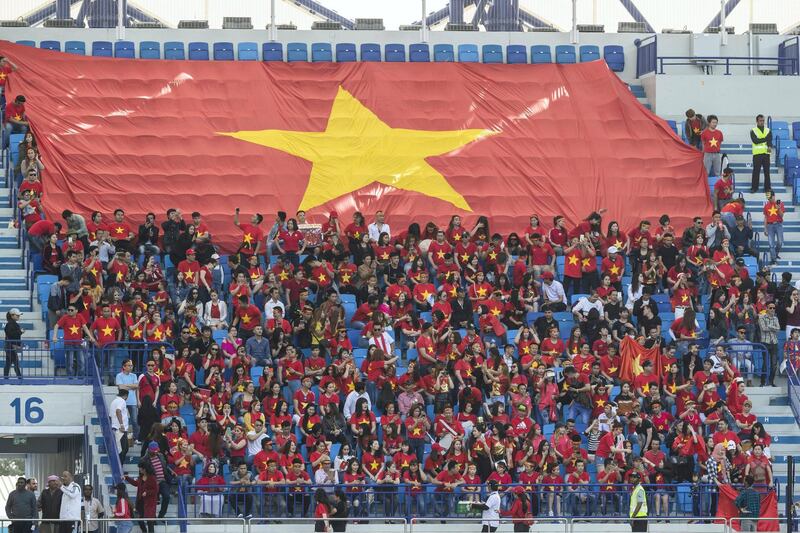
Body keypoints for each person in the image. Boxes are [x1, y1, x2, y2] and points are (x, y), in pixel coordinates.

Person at [750, 114, 772, 193]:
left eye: (763, 121)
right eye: (760, 121)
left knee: (767, 172)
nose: (762, 122)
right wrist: (765, 139)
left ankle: (767, 188)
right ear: (757, 121)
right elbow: (755, 141)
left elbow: (769, 141)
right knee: (756, 171)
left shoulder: (768, 130)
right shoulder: (753, 130)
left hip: (766, 154)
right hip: (757, 154)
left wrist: (769, 146)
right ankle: (754, 188)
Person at [110, 388, 131, 464]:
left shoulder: (113, 402)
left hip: (116, 428)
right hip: (120, 429)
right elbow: (118, 411)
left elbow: (111, 415)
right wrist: (122, 425)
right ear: (126, 396)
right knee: (123, 449)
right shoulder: (122, 401)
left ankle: (119, 465)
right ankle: (119, 466)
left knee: (122, 448)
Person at [763, 190, 784, 264]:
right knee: (771, 244)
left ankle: (775, 254)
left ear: (774, 196)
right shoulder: (766, 206)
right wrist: (765, 228)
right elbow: (765, 217)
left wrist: (778, 208)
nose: (769, 199)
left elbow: (781, 215)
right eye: (768, 198)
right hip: (770, 225)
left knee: (780, 242)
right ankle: (773, 259)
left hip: (778, 224)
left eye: (770, 198)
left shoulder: (780, 203)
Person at [4, 308, 23, 378]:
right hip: (10, 346)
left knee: (9, 363)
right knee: (15, 362)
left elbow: (12, 334)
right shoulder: (10, 324)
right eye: (17, 315)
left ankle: (6, 377)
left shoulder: (11, 324)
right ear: (12, 315)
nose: (18, 317)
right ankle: (19, 377)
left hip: (10, 346)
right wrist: (20, 332)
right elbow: (11, 335)